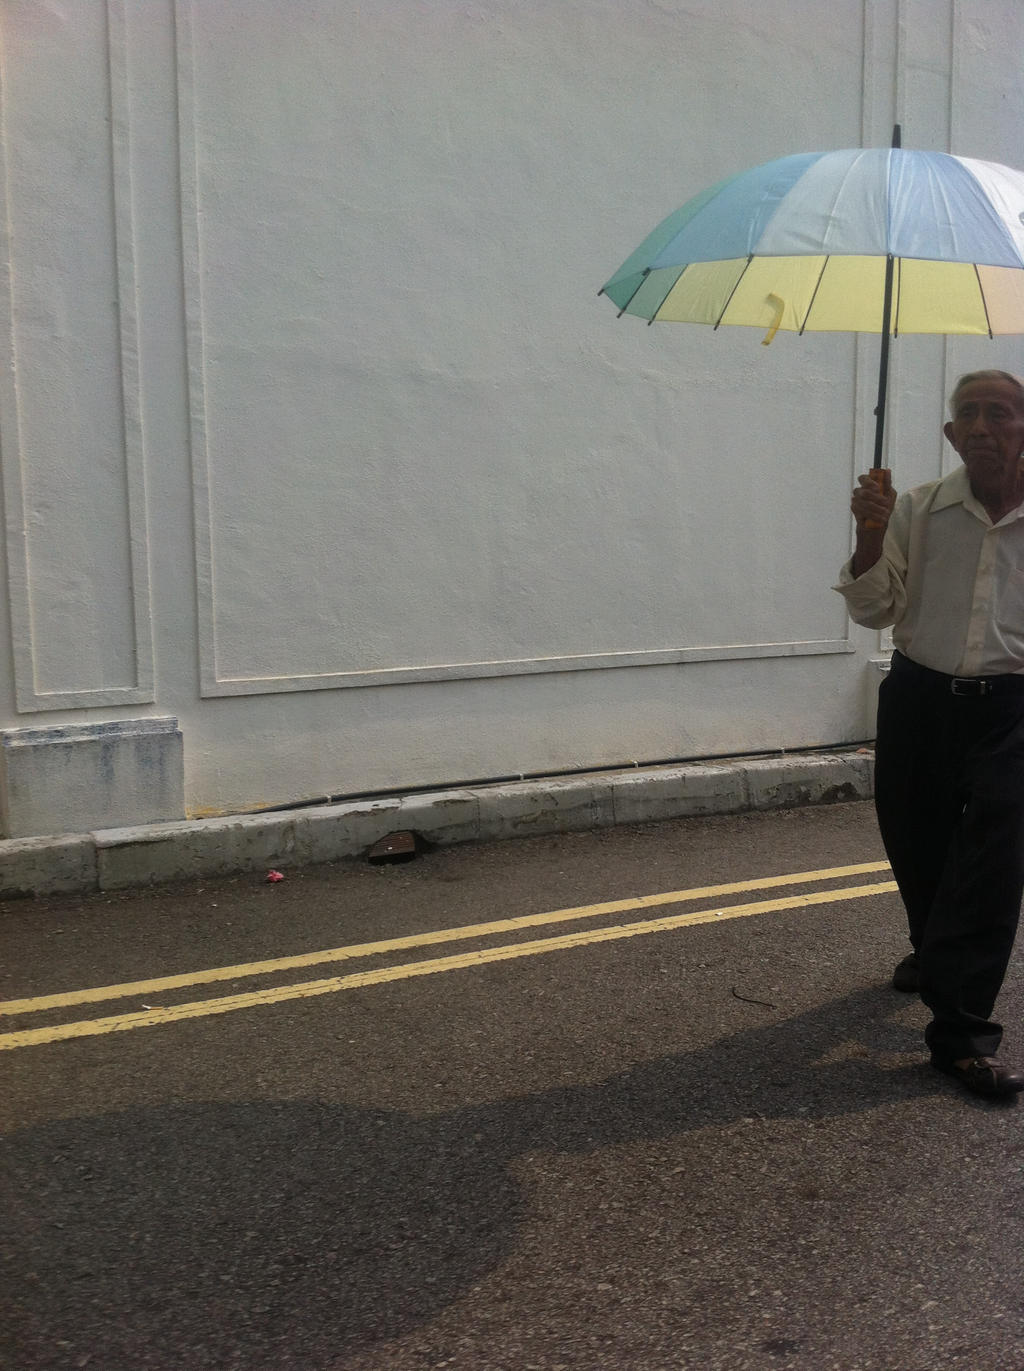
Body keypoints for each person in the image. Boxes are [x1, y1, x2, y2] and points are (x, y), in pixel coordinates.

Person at [836, 369, 1024, 1100]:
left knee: (994, 861)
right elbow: (874, 612)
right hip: (919, 699)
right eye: (967, 415)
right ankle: (931, 950)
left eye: (999, 414)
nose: (981, 426)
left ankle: (962, 1035)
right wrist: (869, 535)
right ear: (950, 435)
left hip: (1011, 707)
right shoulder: (914, 509)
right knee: (920, 845)